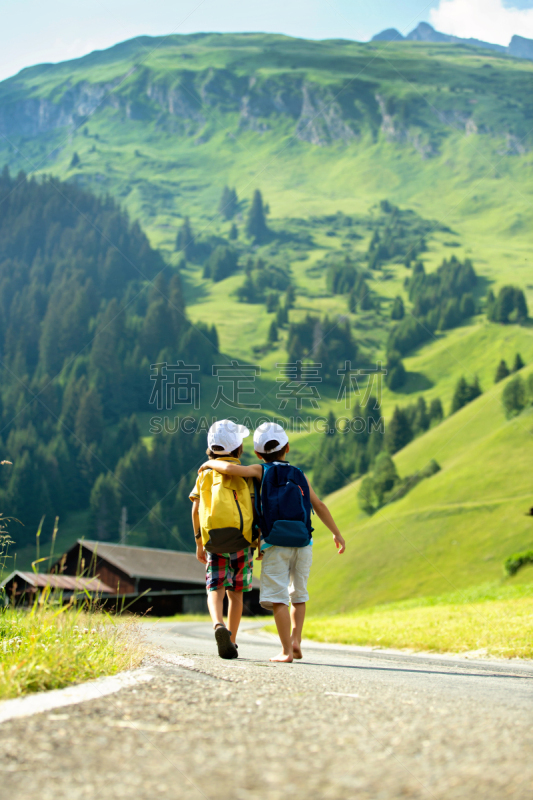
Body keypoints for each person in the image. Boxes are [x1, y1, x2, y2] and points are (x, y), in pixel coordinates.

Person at [199, 421, 345, 663]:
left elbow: (230, 470)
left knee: (279, 598)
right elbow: (318, 505)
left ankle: (286, 650)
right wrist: (336, 533)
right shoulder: (299, 474)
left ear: (257, 453)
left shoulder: (260, 470)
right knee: (299, 594)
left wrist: (208, 463)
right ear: (287, 448)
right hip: (303, 542)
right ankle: (296, 641)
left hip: (274, 543)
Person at [190, 420, 258, 660]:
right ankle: (233, 638)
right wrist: (257, 541)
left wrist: (199, 542)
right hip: (242, 542)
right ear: (238, 448)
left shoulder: (204, 474)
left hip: (213, 541)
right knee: (236, 592)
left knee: (215, 587)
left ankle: (218, 625)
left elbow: (195, 509)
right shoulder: (247, 475)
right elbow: (256, 508)